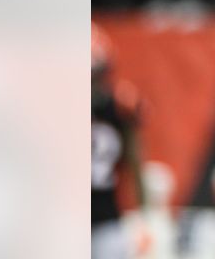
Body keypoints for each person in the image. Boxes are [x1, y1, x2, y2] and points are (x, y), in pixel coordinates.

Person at [92, 25, 148, 259]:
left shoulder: (118, 108)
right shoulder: (118, 106)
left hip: (106, 220)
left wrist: (142, 213)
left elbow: (134, 160)